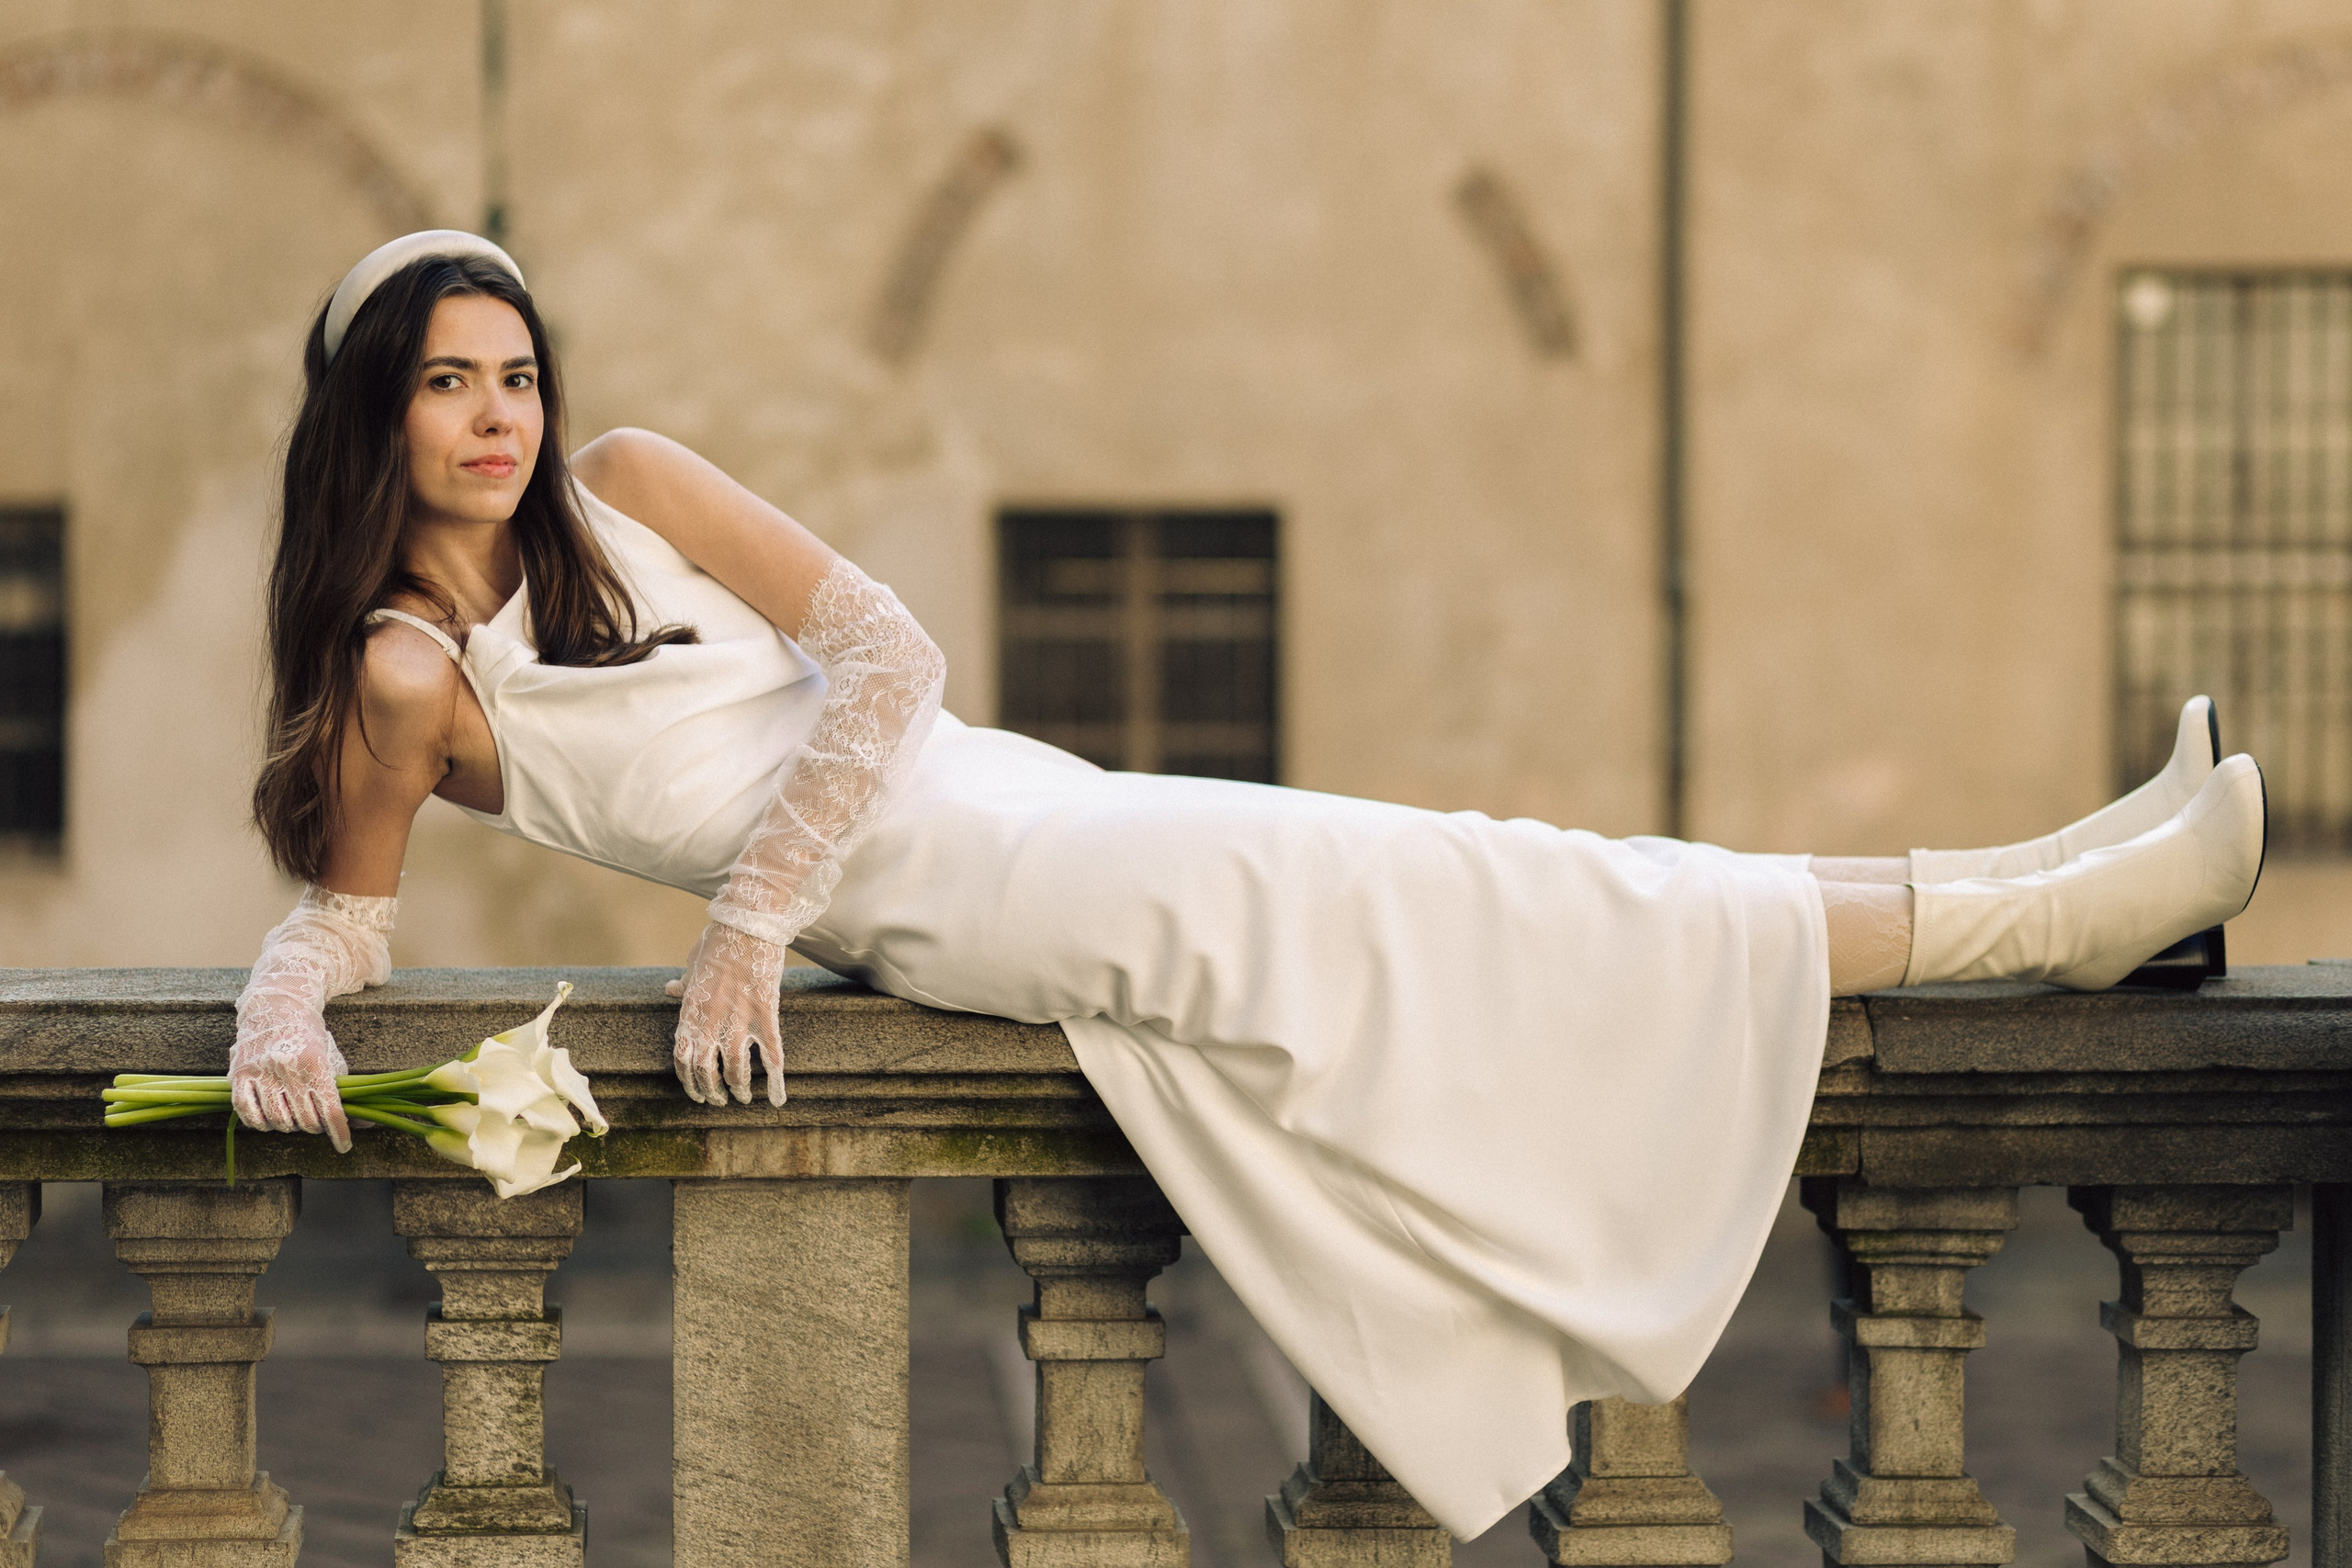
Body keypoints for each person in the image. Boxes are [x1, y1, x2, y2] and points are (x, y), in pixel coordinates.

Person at [230, 231, 2267, 1538]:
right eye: (443, 381)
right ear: (370, 414)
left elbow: (893, 653)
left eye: (510, 372)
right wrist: (279, 1019)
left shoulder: (636, 487)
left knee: (1501, 875)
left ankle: (2060, 879)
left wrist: (744, 919)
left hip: (1010, 793)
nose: (496, 415)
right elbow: (345, 914)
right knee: (1504, 897)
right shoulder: (407, 677)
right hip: (963, 892)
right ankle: (2052, 914)